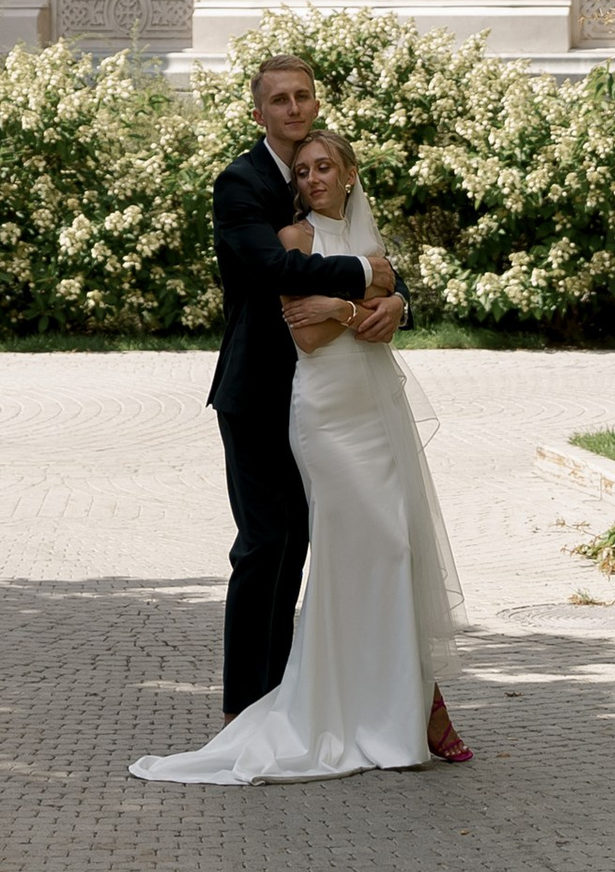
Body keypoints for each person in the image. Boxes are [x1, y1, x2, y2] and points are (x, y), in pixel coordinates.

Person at [134, 103, 470, 781]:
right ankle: (290, 705)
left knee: (387, 551)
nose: (314, 175)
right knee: (297, 547)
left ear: (349, 174)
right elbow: (301, 310)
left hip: (371, 410)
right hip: (314, 410)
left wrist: (395, 298)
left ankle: (397, 701)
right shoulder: (275, 215)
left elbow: (388, 280)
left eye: (326, 166)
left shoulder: (359, 227)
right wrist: (359, 296)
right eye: (306, 168)